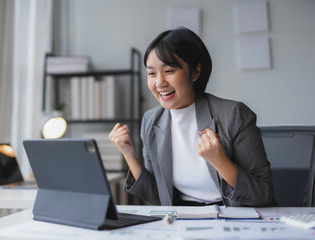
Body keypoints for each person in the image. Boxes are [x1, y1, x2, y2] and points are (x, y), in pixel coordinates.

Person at [109, 27, 277, 207]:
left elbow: (263, 195)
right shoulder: (151, 121)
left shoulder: (233, 115)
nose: (159, 83)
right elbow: (159, 197)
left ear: (195, 72)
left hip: (234, 221)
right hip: (183, 222)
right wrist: (128, 154)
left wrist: (220, 161)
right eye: (151, 73)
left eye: (169, 71)